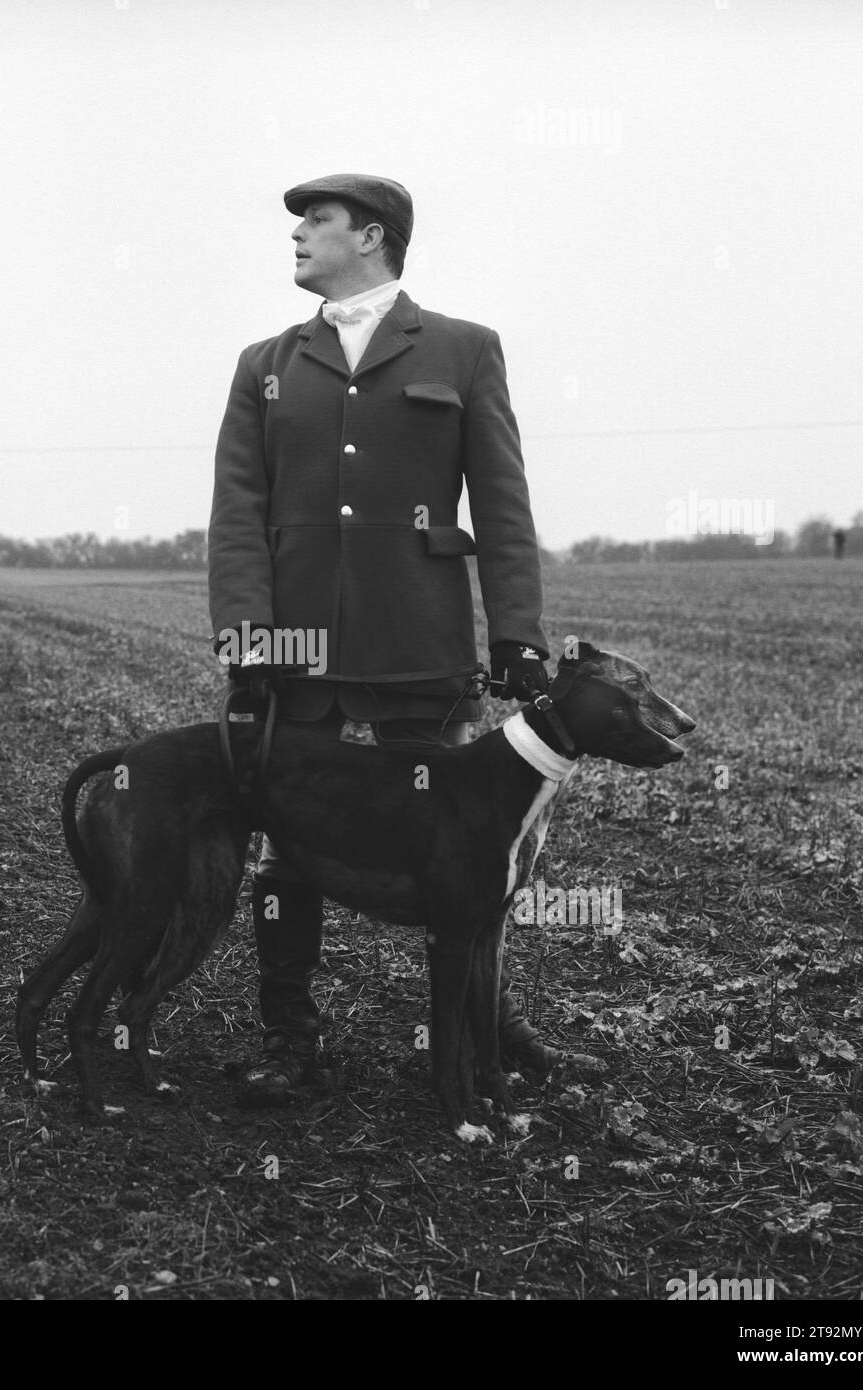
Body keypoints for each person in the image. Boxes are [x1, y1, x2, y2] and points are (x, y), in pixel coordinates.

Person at [208, 173, 566, 1105]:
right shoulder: (264, 362)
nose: (295, 235)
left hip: (421, 645)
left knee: (466, 848)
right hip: (298, 656)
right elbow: (239, 514)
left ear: (369, 237)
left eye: (313, 221)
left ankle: (481, 1030)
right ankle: (290, 1037)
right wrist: (246, 640)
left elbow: (502, 505)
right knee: (290, 850)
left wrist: (517, 635)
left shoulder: (463, 348)